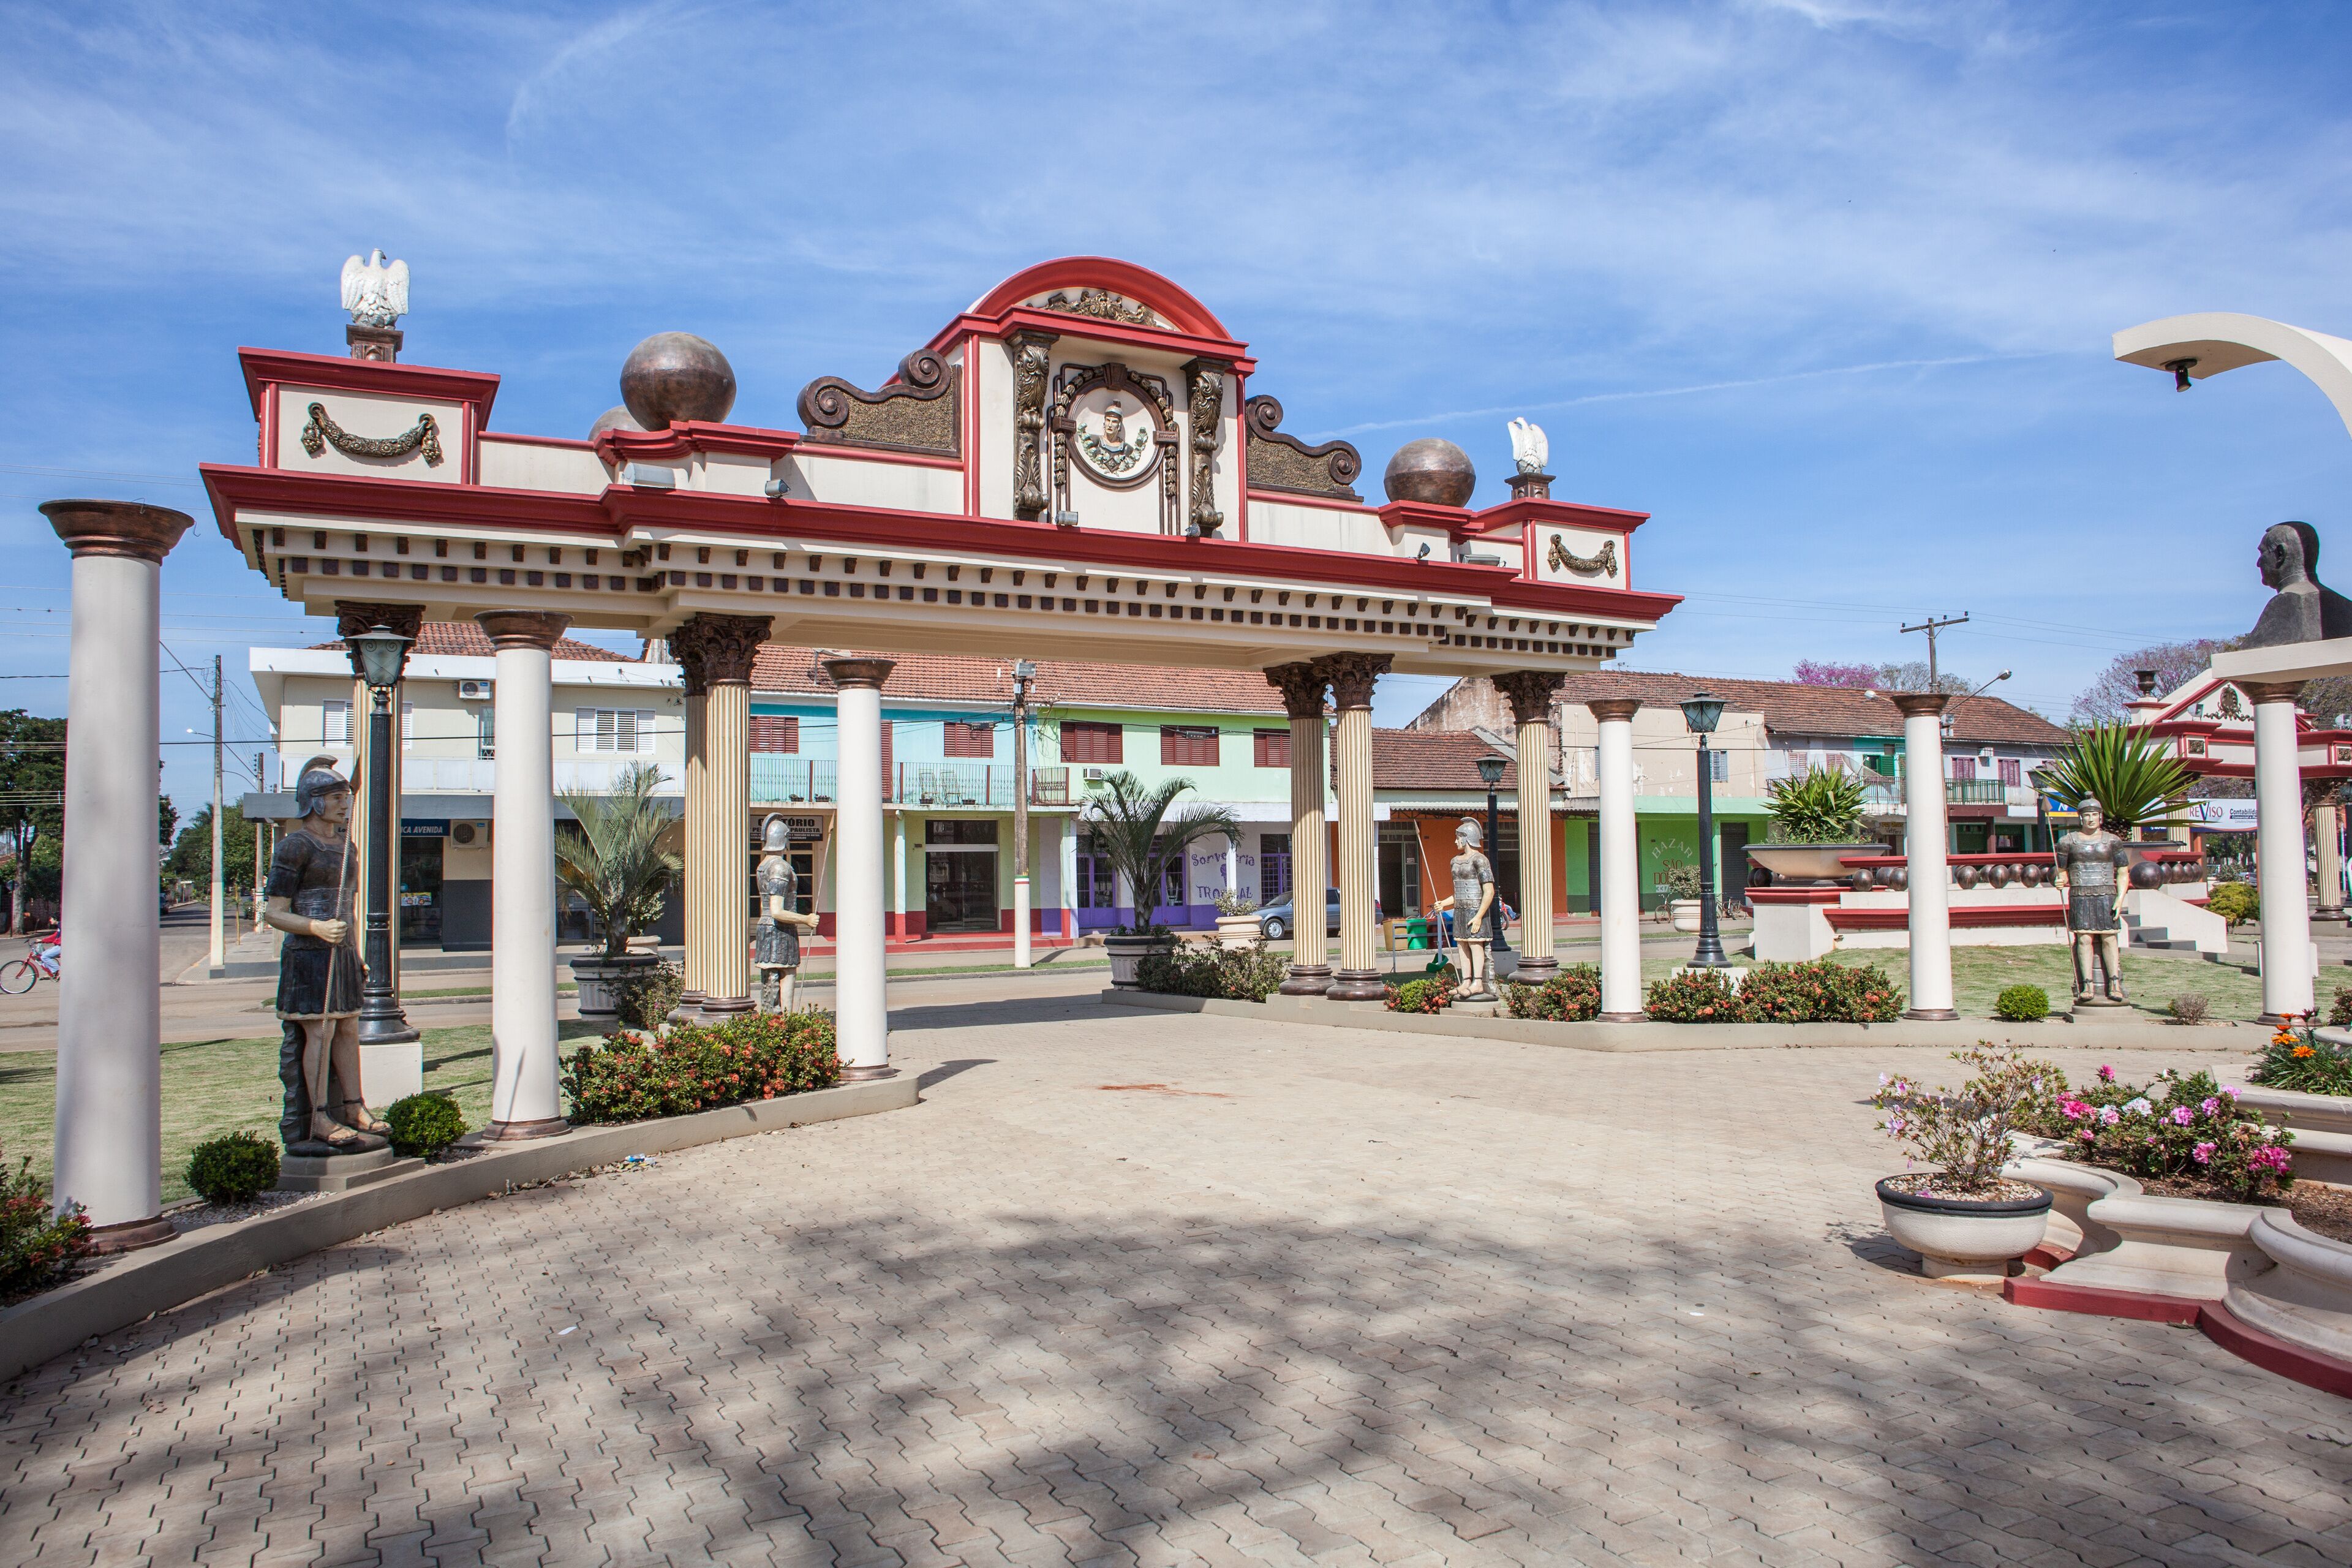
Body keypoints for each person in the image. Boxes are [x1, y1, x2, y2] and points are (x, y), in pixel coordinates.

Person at [262, 758, 386, 1153]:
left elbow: (347, 905)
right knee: (321, 1031)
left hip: (343, 952)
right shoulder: (294, 846)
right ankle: (315, 1115)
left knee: (349, 1028)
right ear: (313, 802)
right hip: (309, 956)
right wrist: (314, 928)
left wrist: (357, 951)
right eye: (336, 797)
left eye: (346, 797)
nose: (344, 804)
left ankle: (353, 1106)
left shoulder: (346, 847)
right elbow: (274, 912)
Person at [2054, 795, 2131, 1008]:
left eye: (2094, 815)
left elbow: (2123, 872)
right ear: (2081, 818)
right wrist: (2060, 881)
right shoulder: (2067, 841)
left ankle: (2114, 984)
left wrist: (2120, 897)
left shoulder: (2112, 840)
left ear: (2100, 817)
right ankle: (2087, 984)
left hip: (2107, 894)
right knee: (2084, 939)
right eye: (2087, 815)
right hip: (2080, 895)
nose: (2090, 819)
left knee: (2109, 938)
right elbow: (2062, 873)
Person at [754, 814, 820, 1012]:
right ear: (784, 839)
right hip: (779, 931)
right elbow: (777, 911)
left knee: (771, 980)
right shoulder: (780, 867)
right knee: (787, 973)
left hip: (768, 929)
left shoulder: (763, 865)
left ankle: (776, 1021)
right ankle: (787, 1022)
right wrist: (806, 919)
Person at [1432, 816, 1498, 1000]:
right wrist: (1443, 904)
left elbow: (1489, 891)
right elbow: (1458, 893)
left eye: (1458, 837)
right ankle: (1466, 981)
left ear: (1467, 837)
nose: (1455, 841)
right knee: (1461, 944)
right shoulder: (1455, 861)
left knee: (1476, 945)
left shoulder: (1481, 860)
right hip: (1461, 910)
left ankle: (1478, 982)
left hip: (1476, 911)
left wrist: (1479, 916)